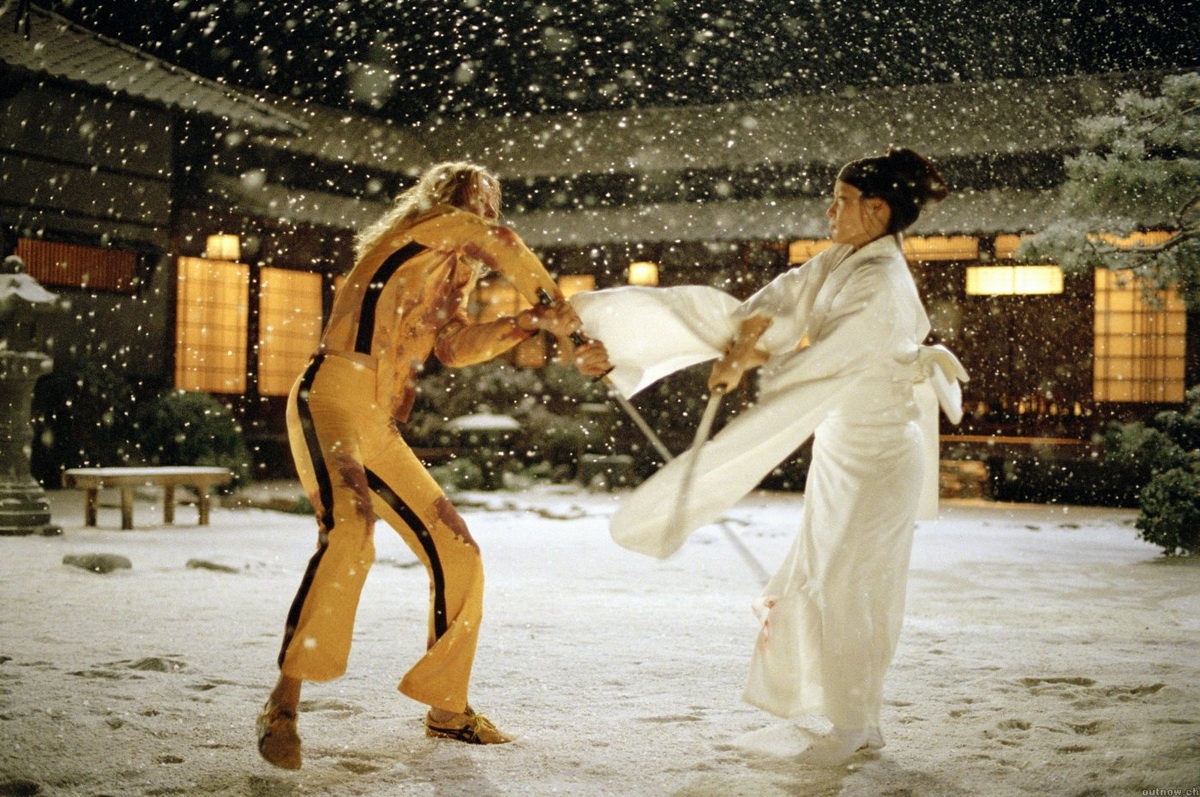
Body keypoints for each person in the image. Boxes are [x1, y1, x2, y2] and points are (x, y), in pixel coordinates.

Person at [573, 147, 967, 766]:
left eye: (840, 201)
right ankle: (858, 717)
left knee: (851, 585)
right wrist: (737, 344)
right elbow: (772, 308)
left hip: (881, 453)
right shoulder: (841, 260)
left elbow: (830, 361)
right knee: (824, 576)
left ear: (877, 210)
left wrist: (753, 363)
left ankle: (853, 722)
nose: (829, 212)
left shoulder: (882, 281)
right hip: (843, 448)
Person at [257, 161, 611, 770]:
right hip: (331, 393)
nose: (484, 210)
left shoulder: (450, 272)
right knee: (351, 532)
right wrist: (571, 332)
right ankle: (281, 706)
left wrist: (529, 322)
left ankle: (447, 707)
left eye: (490, 201)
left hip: (378, 422)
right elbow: (502, 243)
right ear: (443, 199)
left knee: (459, 552)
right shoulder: (422, 230)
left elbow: (451, 347)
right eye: (474, 198)